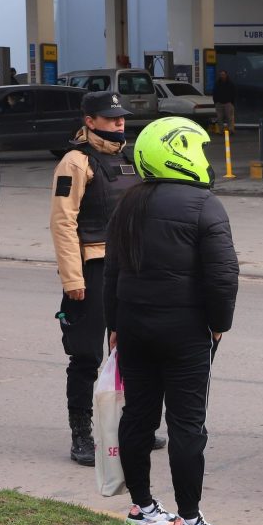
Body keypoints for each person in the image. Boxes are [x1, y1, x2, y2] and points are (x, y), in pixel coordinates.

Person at [105, 116, 239, 525]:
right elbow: (223, 276)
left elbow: (111, 272)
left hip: (133, 326)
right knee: (187, 424)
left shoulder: (127, 201)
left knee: (138, 415)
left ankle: (142, 507)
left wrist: (113, 326)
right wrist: (219, 325)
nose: (204, 159)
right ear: (178, 152)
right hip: (185, 332)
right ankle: (189, 519)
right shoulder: (205, 205)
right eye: (198, 150)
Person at [50, 90, 165, 466]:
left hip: (130, 267)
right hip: (92, 267)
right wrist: (72, 278)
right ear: (89, 120)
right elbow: (63, 221)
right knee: (85, 355)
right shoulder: (75, 162)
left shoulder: (130, 158)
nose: (119, 121)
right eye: (110, 117)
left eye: (120, 116)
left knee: (135, 350)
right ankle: (81, 433)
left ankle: (135, 427)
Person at [211, 69, 236, 134]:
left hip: (228, 103)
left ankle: (230, 130)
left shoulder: (230, 83)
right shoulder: (217, 83)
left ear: (226, 75)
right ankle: (220, 130)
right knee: (219, 118)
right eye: (221, 75)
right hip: (219, 103)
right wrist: (215, 101)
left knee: (229, 118)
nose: (222, 76)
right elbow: (214, 92)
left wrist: (231, 102)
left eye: (223, 74)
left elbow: (233, 93)